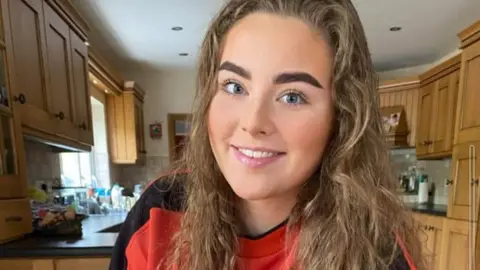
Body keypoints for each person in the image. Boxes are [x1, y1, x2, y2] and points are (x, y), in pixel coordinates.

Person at [110, 0, 423, 269]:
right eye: (234, 86)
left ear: (341, 117)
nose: (252, 122)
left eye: (292, 97)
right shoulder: (160, 211)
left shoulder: (375, 255)